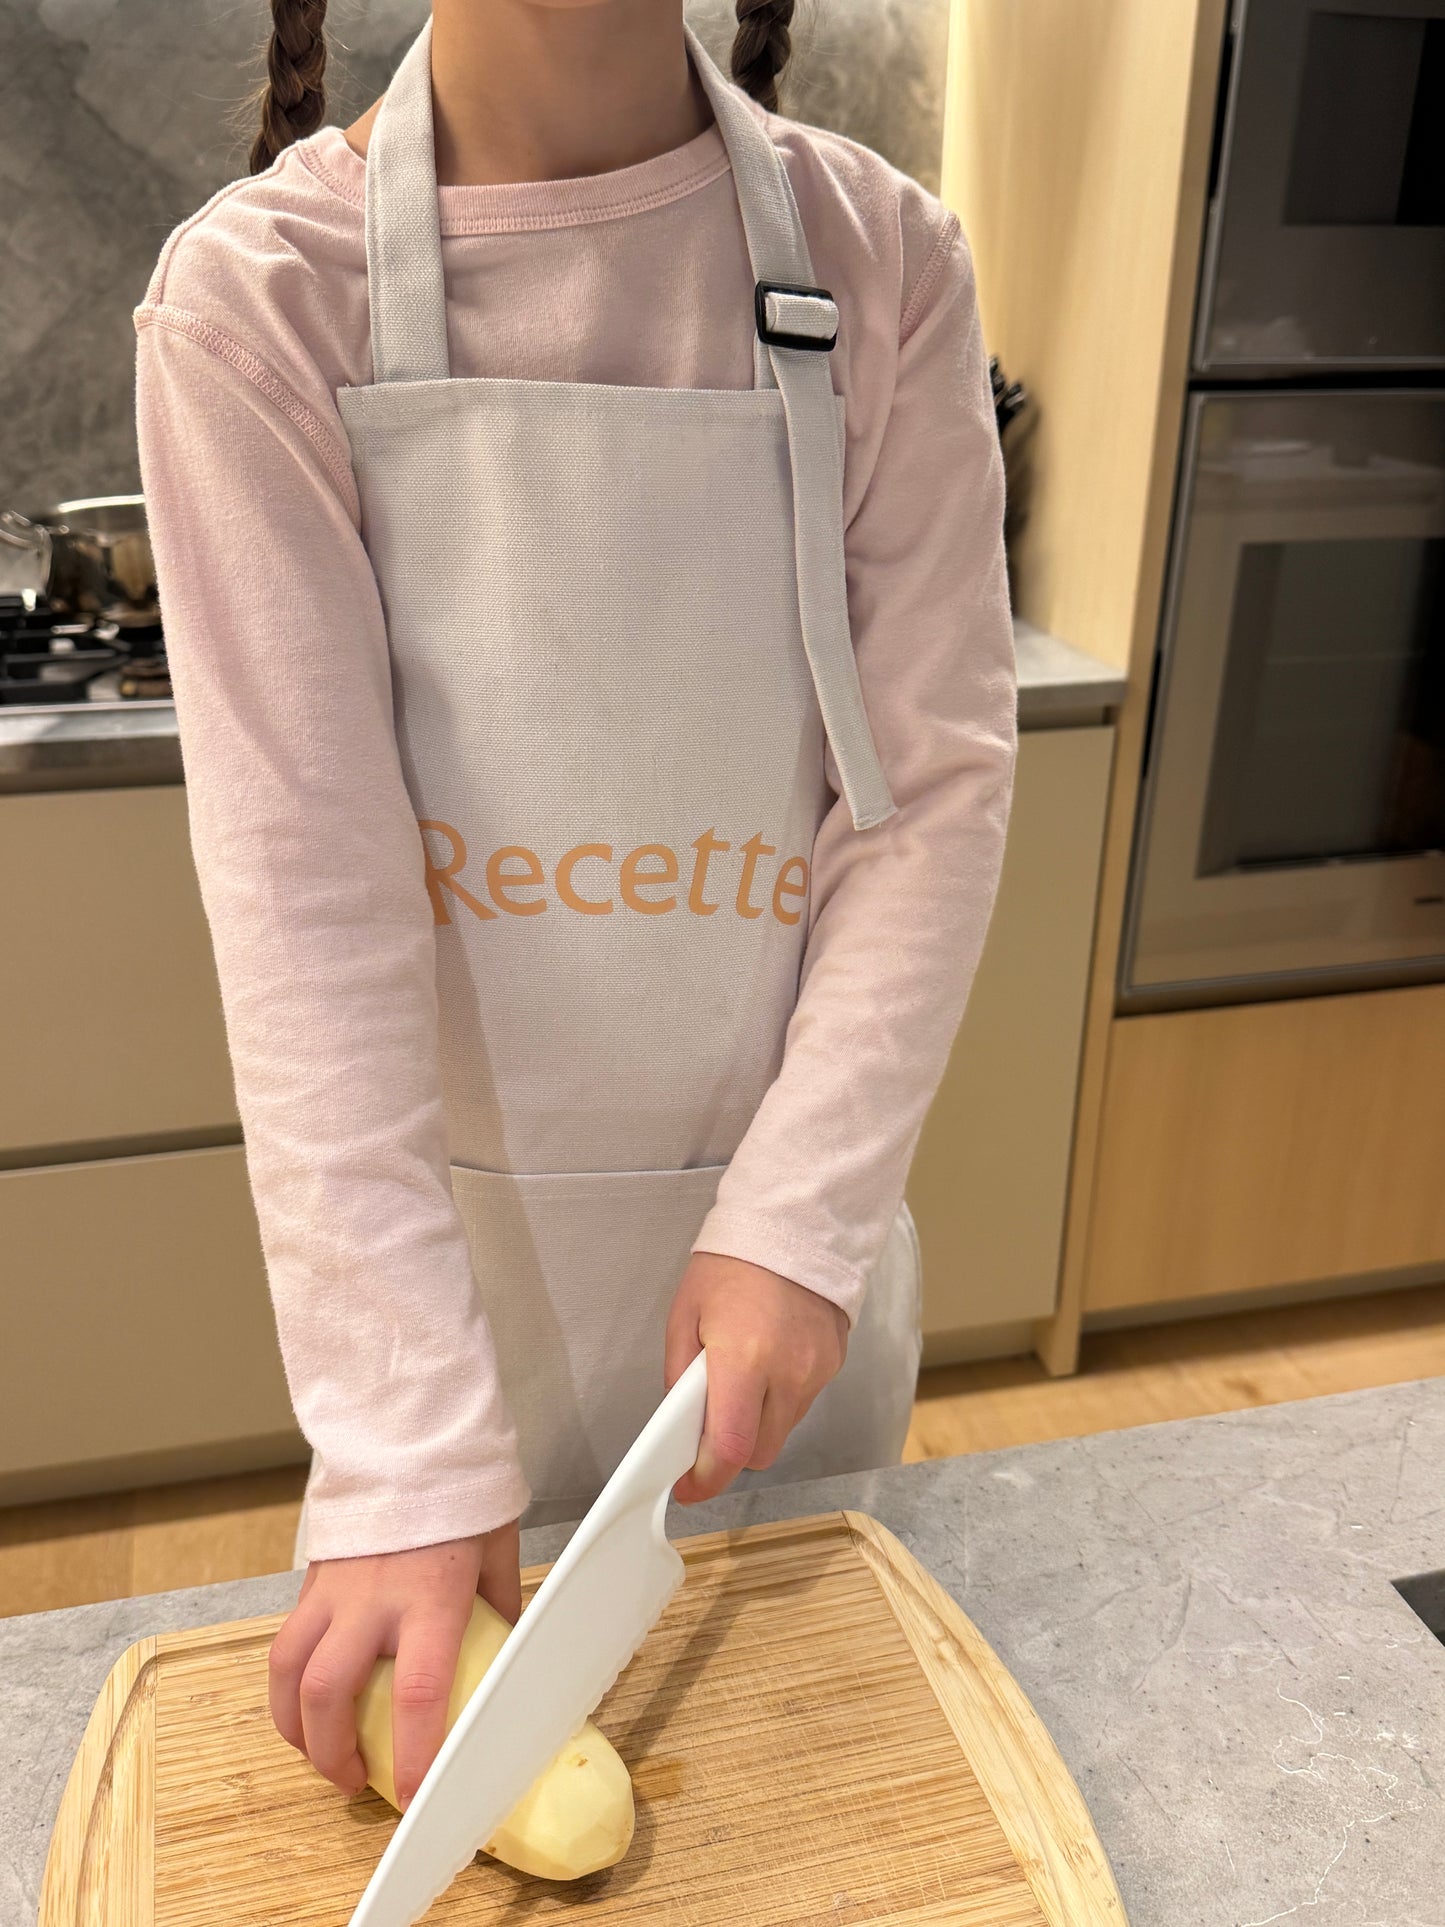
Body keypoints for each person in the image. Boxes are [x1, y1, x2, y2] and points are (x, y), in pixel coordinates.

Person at [133, 0, 1016, 1820]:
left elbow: (921, 794)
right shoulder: (257, 300)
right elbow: (311, 905)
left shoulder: (885, 263)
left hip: (784, 1322)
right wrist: (396, 1443)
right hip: (441, 1324)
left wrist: (798, 1222)